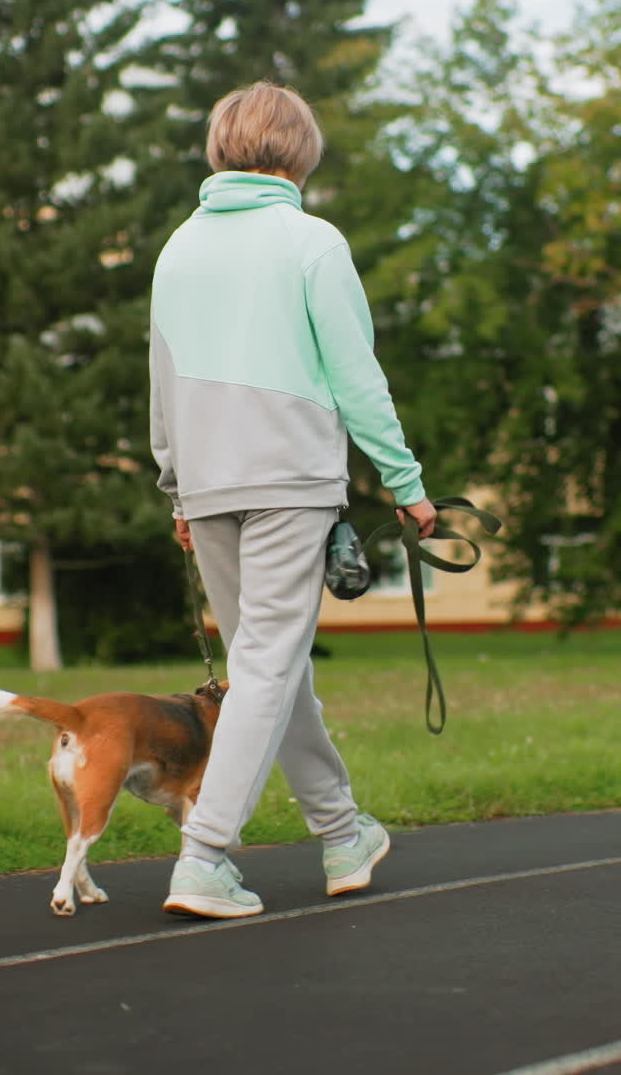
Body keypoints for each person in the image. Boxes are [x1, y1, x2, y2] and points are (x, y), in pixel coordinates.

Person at [150, 80, 436, 919]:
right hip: (286, 481)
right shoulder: (312, 241)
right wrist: (408, 484)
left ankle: (344, 834)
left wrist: (176, 487)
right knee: (269, 664)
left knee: (270, 666)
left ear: (219, 148)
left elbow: (161, 385)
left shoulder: (177, 249)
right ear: (301, 153)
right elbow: (357, 379)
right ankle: (204, 858)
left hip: (207, 486)